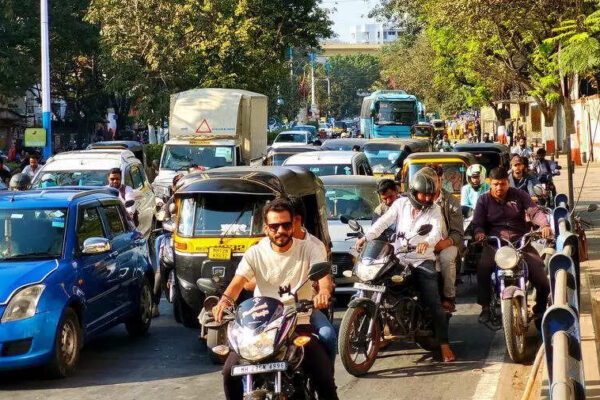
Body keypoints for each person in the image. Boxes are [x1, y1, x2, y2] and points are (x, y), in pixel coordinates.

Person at [213, 198, 338, 400]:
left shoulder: (309, 248)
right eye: (274, 226)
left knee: (323, 375)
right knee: (229, 372)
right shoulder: (255, 252)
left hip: (297, 322)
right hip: (260, 330)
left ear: (293, 225)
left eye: (286, 225)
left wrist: (323, 291)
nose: (280, 230)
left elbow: (323, 277)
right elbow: (238, 282)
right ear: (266, 228)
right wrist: (224, 301)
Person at [355, 174, 456, 362]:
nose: (427, 198)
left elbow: (435, 231)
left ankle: (444, 344)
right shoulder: (400, 204)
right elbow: (383, 222)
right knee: (376, 281)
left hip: (421, 260)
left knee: (433, 301)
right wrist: (366, 237)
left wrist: (427, 242)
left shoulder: (435, 210)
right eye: (423, 194)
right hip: (399, 257)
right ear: (414, 192)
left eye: (430, 194)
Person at [473, 168, 551, 324]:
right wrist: (479, 233)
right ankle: (485, 307)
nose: (499, 188)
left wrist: (545, 225)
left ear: (508, 183)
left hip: (520, 243)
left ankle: (540, 308)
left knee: (541, 276)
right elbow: (478, 223)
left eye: (502, 184)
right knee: (483, 268)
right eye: (495, 184)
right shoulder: (483, 200)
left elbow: (534, 212)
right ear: (490, 184)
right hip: (495, 245)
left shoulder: (519, 195)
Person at [418, 166, 464, 313]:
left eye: (434, 181)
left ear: (440, 181)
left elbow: (458, 234)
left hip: (446, 243)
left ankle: (448, 298)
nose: (430, 186)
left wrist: (442, 244)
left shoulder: (451, 201)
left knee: (446, 258)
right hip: (419, 243)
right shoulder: (416, 198)